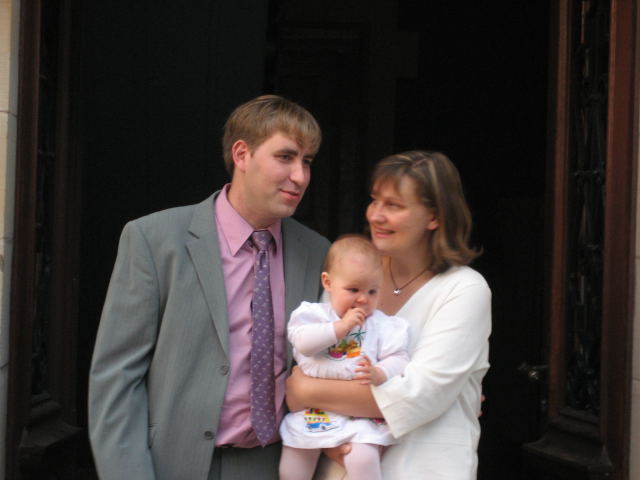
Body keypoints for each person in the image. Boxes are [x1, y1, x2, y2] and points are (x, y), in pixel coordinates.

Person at [88, 95, 330, 480]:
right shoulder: (154, 240)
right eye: (285, 157)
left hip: (274, 466)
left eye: (307, 161)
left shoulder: (317, 253)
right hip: (171, 465)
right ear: (242, 154)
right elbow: (117, 378)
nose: (300, 176)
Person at [286, 150, 492, 479]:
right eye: (374, 200)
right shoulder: (354, 274)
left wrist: (304, 391)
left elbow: (418, 396)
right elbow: (316, 357)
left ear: (434, 217)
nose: (376, 215)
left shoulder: (464, 290)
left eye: (393, 205)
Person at [279, 235, 410, 480]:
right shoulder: (313, 315)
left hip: (356, 414)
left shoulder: (382, 325)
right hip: (314, 410)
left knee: (364, 459)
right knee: (292, 467)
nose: (363, 299)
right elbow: (304, 344)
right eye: (353, 289)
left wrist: (381, 372)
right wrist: (340, 327)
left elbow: (400, 358)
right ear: (328, 282)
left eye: (372, 291)